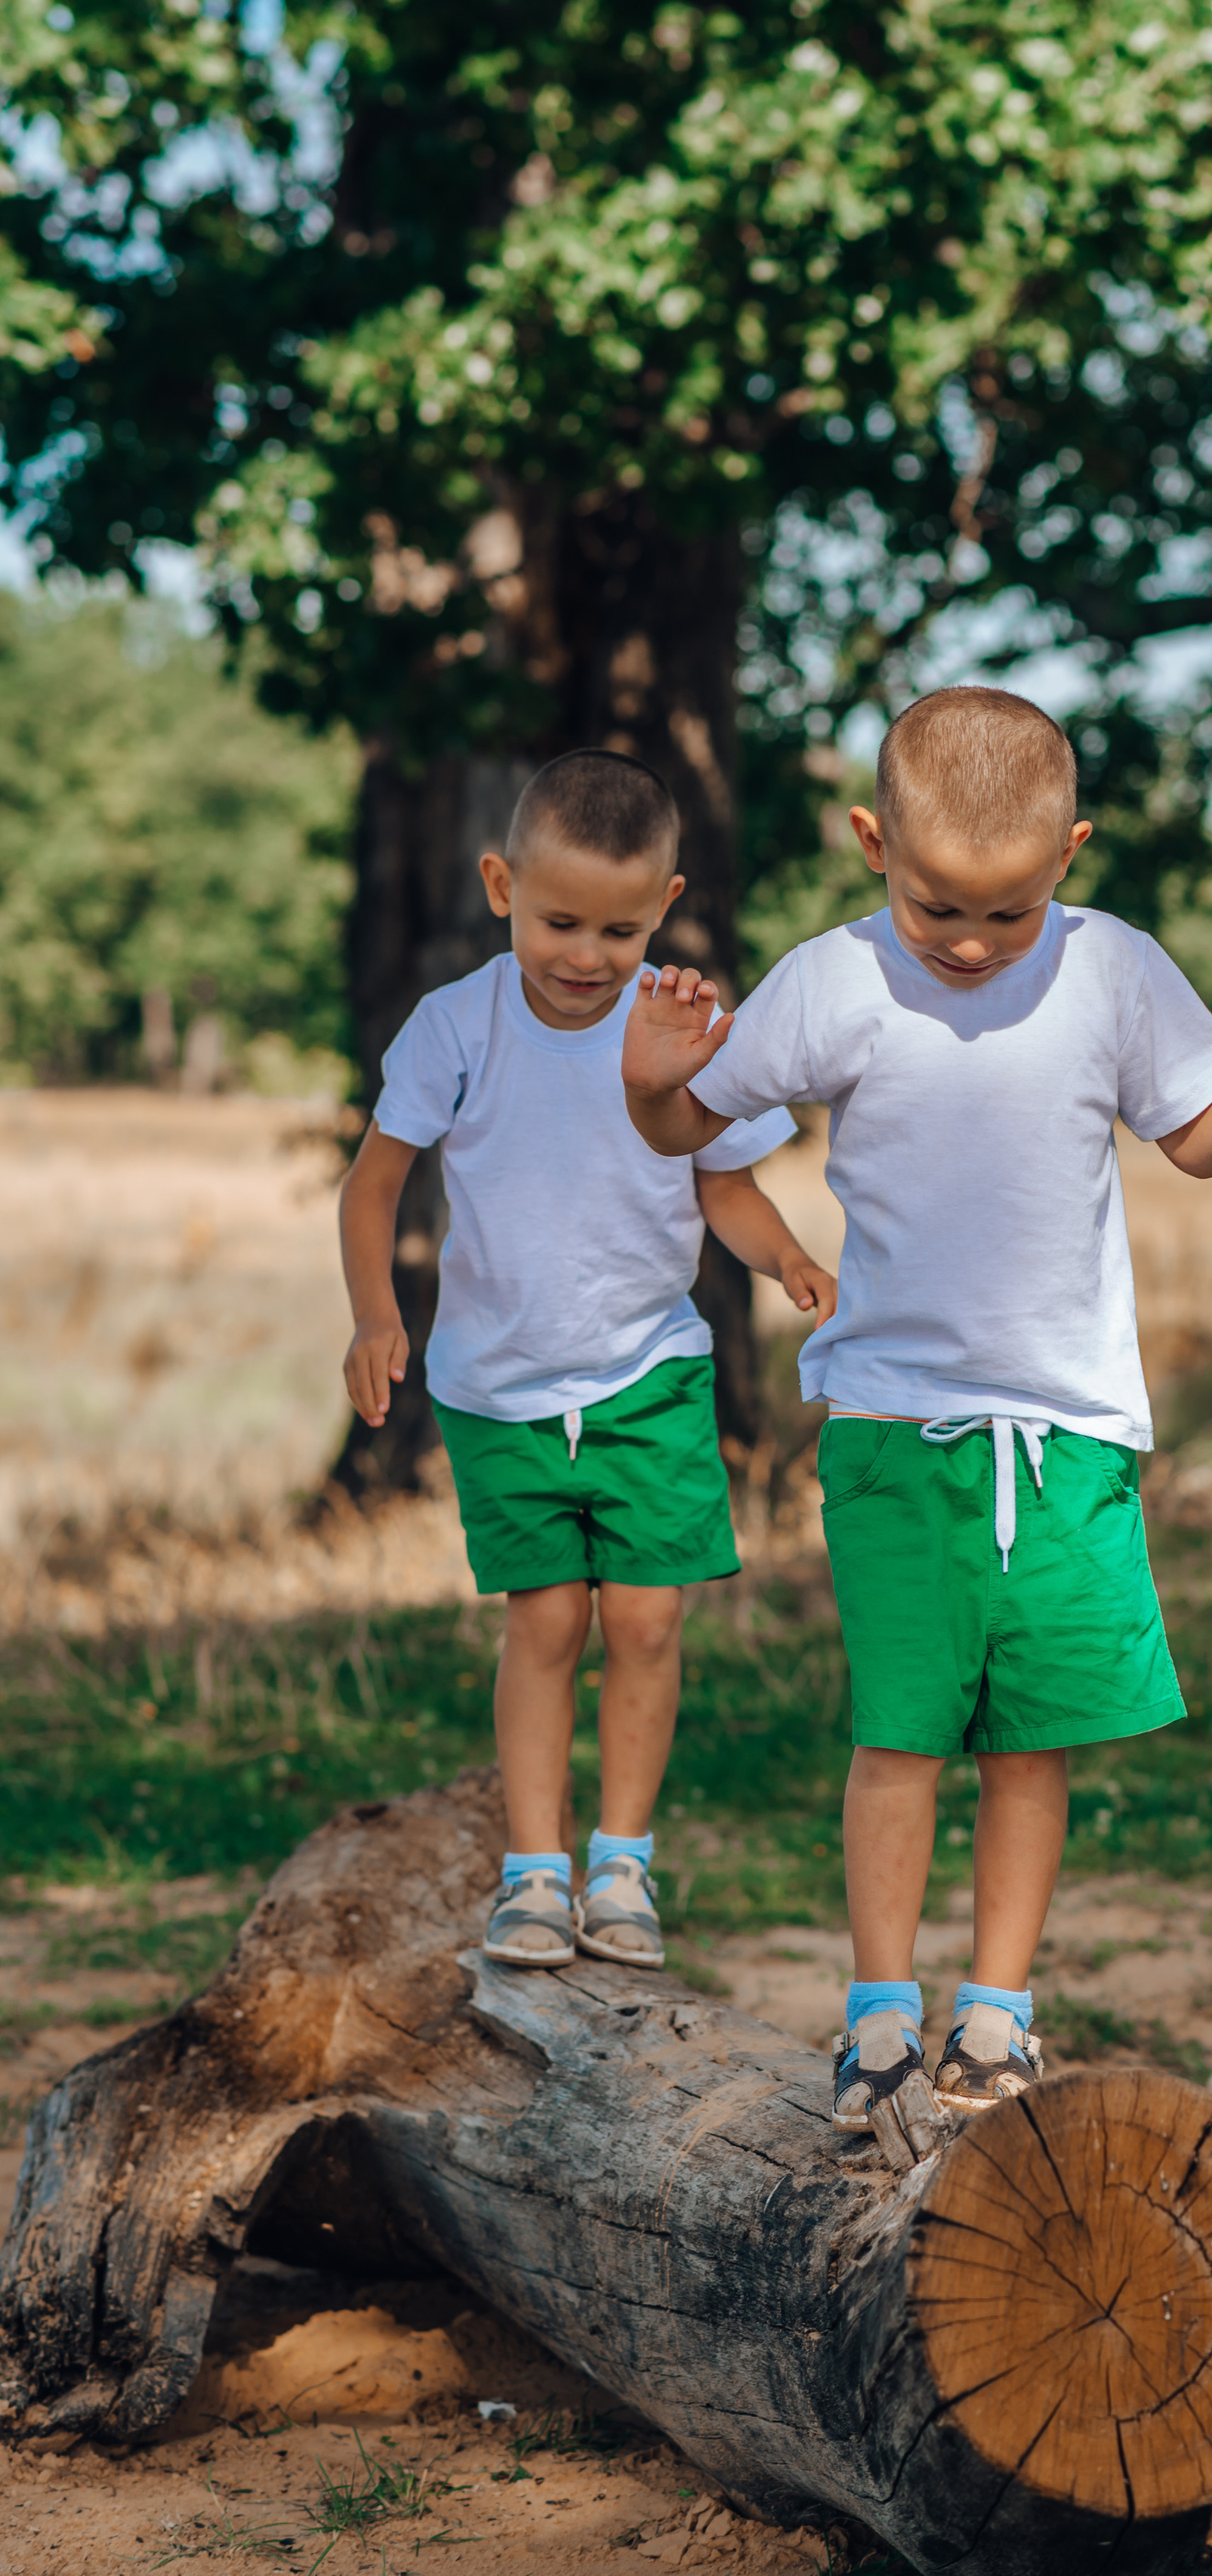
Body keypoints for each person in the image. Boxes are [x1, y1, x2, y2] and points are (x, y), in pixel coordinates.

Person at [619, 686, 1212, 2164]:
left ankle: (995, 2016)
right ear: (871, 845)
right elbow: (686, 1133)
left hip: (1068, 1434)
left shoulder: (1111, 971)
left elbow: (1194, 1141)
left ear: (1072, 850)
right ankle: (875, 2023)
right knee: (902, 1738)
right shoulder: (833, 981)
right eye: (937, 906)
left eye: (1011, 907)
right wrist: (646, 1069)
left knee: (1034, 1744)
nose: (976, 941)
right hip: (892, 1428)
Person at [338, 748, 835, 1974]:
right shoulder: (458, 1025)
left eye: (619, 925)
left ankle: (623, 1863)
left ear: (662, 904)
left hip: (648, 1370)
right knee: (549, 1619)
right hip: (499, 1385)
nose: (585, 952)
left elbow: (728, 1187)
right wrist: (371, 1311)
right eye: (559, 919)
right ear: (503, 885)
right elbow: (373, 1182)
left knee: (652, 1619)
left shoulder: (679, 1028)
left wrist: (788, 1261)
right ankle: (534, 1874)